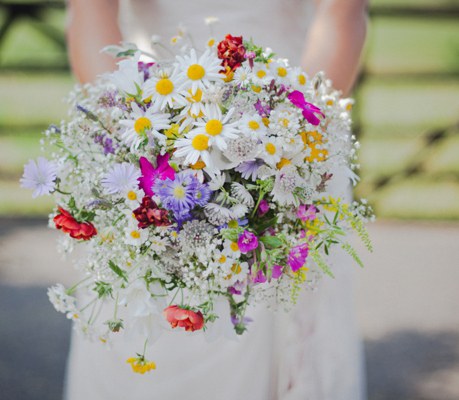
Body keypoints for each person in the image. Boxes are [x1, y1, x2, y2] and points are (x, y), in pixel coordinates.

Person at [63, 1, 369, 399]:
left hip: (288, 144)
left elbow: (340, 18)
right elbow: (90, 14)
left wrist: (284, 141)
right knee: (140, 344)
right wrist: (141, 142)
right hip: (148, 133)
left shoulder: (287, 143)